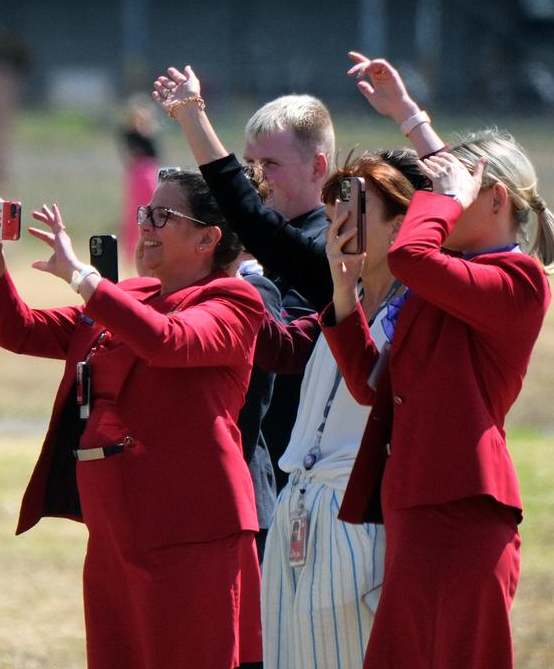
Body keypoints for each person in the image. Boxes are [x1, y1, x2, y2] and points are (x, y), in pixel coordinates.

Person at [323, 52, 554, 668]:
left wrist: (435, 197)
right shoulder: (449, 276)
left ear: (496, 202)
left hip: (465, 510)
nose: (438, 199)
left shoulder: (518, 278)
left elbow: (410, 258)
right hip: (415, 504)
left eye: (457, 193)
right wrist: (407, 113)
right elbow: (371, 386)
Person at [0, 170, 263, 669]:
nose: (145, 224)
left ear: (208, 239)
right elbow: (19, 330)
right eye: (146, 212)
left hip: (190, 529)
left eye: (162, 216)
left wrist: (86, 279)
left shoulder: (234, 301)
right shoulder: (135, 295)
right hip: (116, 530)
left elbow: (170, 341)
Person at [260, 156, 417, 668]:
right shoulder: (337, 301)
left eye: (355, 211)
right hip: (298, 509)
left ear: (400, 224)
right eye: (331, 218)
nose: (340, 228)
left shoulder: (415, 312)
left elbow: (372, 388)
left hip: (356, 517)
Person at [154, 73, 336, 495]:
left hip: (294, 472)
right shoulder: (254, 245)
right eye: (250, 164)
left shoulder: (329, 248)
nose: (257, 178)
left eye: (269, 165)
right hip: (246, 461)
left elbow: (283, 349)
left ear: (318, 167)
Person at [119, 98, 160, 257]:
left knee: (152, 210)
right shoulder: (129, 134)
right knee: (134, 214)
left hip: (150, 173)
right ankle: (132, 251)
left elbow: (155, 155)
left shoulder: (150, 134)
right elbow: (132, 153)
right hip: (137, 174)